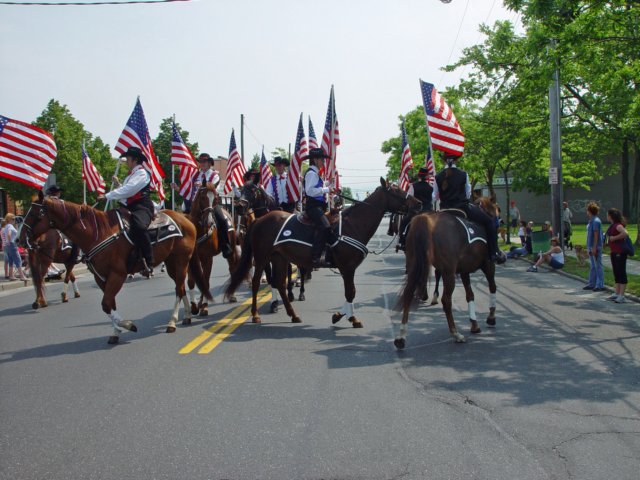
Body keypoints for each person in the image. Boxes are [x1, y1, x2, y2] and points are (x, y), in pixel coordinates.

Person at [433, 152, 506, 264]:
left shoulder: (438, 176)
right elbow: (467, 194)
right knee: (489, 221)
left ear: (444, 161)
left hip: (444, 210)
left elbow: (435, 196)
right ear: (456, 160)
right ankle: (493, 253)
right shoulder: (463, 174)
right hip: (462, 208)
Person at [99, 146, 155, 277]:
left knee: (139, 226)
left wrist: (107, 195)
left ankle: (149, 260)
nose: (126, 162)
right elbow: (125, 191)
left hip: (142, 207)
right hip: (128, 206)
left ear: (134, 160)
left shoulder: (142, 173)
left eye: (128, 159)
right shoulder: (131, 175)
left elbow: (129, 190)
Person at [174, 153, 232, 258]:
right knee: (183, 221)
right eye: (201, 162)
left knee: (222, 221)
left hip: (210, 203)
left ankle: (225, 246)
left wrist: (204, 185)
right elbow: (190, 191)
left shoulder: (214, 175)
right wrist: (178, 189)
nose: (202, 164)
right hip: (196, 204)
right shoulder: (195, 175)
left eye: (205, 162)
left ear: (210, 163)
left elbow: (214, 187)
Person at [303, 147, 338, 268]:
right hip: (313, 207)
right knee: (325, 226)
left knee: (333, 225)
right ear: (315, 160)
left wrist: (328, 183)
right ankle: (316, 257)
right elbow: (310, 191)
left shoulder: (315, 174)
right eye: (322, 159)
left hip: (319, 207)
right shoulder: (311, 174)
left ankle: (328, 255)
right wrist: (327, 189)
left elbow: (318, 186)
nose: (323, 162)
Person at [397, 167, 433, 249]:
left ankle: (402, 242)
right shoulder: (431, 187)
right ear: (427, 177)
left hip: (416, 212)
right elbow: (434, 198)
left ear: (419, 176)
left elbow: (409, 198)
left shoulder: (413, 186)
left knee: (404, 223)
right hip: (428, 211)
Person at [605, 208, 630, 303]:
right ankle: (617, 293)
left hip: (620, 252)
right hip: (614, 252)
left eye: (607, 215)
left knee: (621, 272)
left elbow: (625, 233)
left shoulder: (617, 225)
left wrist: (614, 238)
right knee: (616, 272)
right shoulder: (612, 225)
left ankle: (622, 295)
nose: (606, 216)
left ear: (610, 216)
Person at [584, 201, 605, 292]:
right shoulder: (591, 221)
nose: (586, 212)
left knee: (598, 266)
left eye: (587, 210)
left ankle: (599, 284)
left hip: (595, 246)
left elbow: (596, 235)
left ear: (590, 211)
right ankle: (592, 283)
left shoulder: (596, 221)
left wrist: (594, 247)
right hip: (590, 246)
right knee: (593, 266)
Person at [2, 213, 28, 283]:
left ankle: (11, 276)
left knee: (11, 260)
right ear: (9, 219)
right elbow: (9, 234)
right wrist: (11, 241)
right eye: (13, 219)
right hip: (12, 245)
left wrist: (16, 225)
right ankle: (22, 276)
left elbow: (14, 233)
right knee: (18, 259)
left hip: (7, 246)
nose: (14, 220)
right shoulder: (10, 225)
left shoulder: (6, 226)